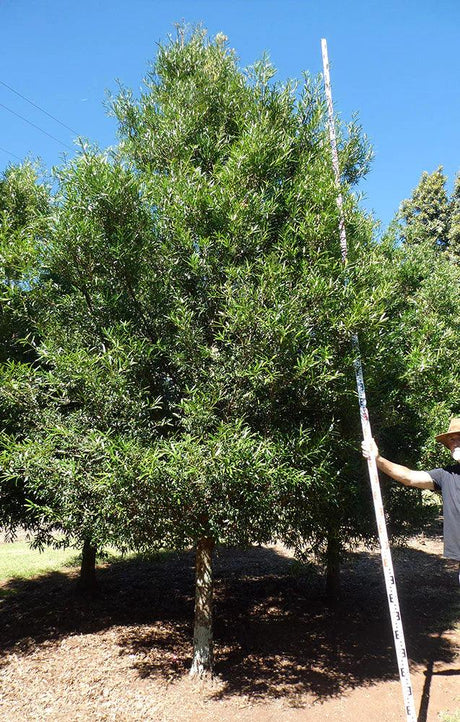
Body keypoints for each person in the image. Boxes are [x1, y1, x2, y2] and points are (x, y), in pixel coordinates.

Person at [362, 418, 460, 584]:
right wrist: (378, 459)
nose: (455, 443)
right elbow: (409, 477)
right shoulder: (446, 475)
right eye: (452, 439)